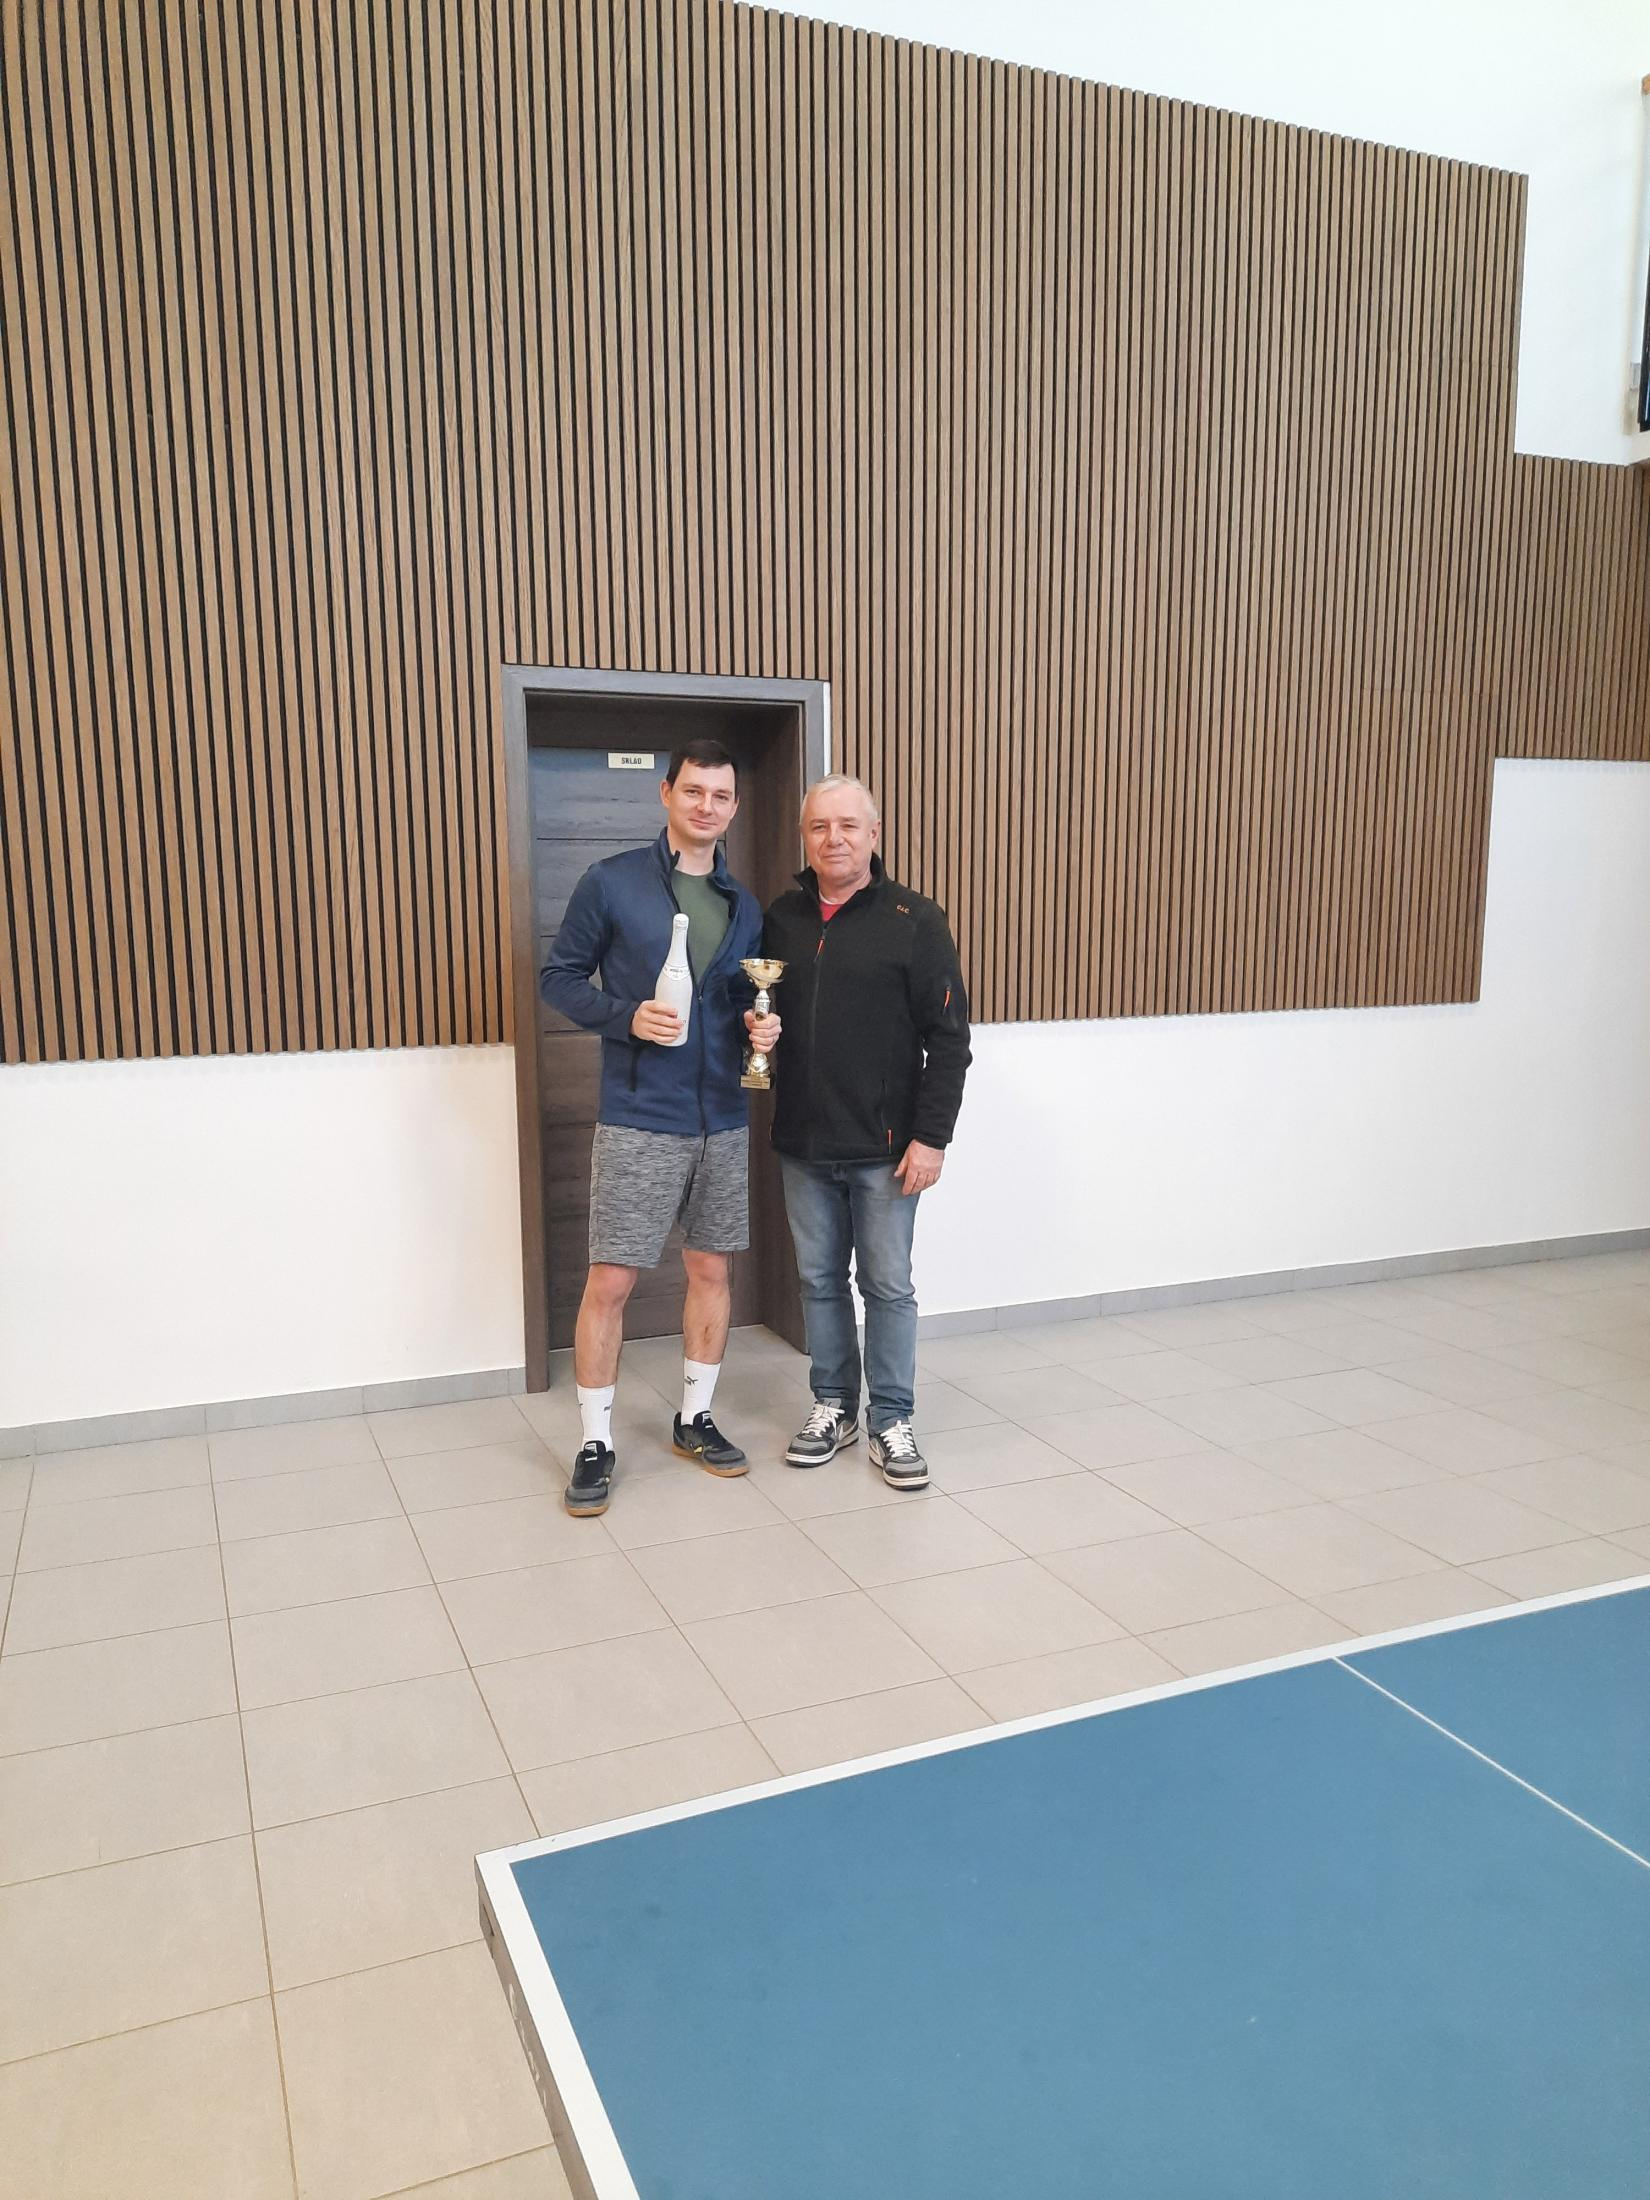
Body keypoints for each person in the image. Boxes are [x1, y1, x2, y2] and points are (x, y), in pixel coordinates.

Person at [540, 741, 781, 1518]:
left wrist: (759, 1029)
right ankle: (595, 1442)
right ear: (666, 794)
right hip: (641, 1115)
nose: (707, 806)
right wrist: (625, 1017)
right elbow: (558, 978)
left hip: (723, 1117)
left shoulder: (744, 906)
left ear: (733, 806)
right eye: (694, 791)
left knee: (712, 1271)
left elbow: (740, 1003)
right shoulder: (611, 882)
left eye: (721, 795)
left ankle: (694, 1419)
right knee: (611, 1281)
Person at [762, 775, 971, 1490]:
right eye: (820, 826)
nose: (835, 839)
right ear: (805, 837)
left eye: (849, 825)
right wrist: (752, 1030)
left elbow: (949, 1041)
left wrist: (931, 1138)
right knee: (819, 1282)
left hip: (887, 1151)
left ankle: (891, 1418)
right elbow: (758, 1011)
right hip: (803, 1143)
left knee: (887, 1285)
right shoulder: (782, 919)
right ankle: (833, 1406)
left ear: (874, 835)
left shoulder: (915, 919)